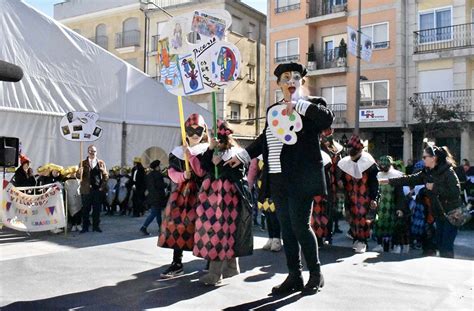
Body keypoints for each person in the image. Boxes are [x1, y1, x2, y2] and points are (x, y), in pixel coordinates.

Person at [226, 62, 334, 295]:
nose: (291, 81)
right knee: (286, 228)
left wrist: (299, 106)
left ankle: (315, 274)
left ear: (302, 82)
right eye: (286, 77)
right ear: (279, 84)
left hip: (301, 177)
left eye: (296, 77)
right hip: (276, 177)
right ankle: (294, 275)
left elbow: (326, 120)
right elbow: (264, 139)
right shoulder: (273, 110)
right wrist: (243, 155)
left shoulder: (312, 106)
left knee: (300, 226)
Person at [194, 120, 253, 285]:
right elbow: (204, 168)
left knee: (218, 231)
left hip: (225, 196)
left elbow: (237, 173)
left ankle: (215, 273)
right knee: (226, 230)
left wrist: (219, 165)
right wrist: (211, 151)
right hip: (215, 195)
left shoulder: (236, 152)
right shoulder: (215, 150)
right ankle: (231, 268)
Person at [380, 146, 462, 258]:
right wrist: (389, 181)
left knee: (446, 247)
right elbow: (409, 179)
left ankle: (447, 272)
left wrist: (434, 187)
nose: (422, 159)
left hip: (452, 213)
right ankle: (444, 271)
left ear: (434, 158)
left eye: (424, 157)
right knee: (440, 244)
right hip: (439, 214)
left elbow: (455, 192)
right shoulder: (427, 172)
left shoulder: (448, 171)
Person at [159, 113, 209, 278]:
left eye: (199, 130)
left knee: (204, 226)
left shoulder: (208, 150)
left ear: (204, 131)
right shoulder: (176, 152)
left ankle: (209, 260)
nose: (195, 134)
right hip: (181, 194)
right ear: (185, 131)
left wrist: (190, 155)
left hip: (203, 193)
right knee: (177, 225)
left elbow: (202, 171)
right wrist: (182, 176)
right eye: (191, 130)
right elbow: (171, 172)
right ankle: (177, 262)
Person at [337, 135, 379, 253]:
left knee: (362, 218)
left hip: (364, 196)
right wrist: (341, 182)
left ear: (360, 151)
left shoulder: (369, 163)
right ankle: (356, 239)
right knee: (351, 218)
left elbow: (374, 182)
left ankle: (362, 241)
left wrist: (374, 198)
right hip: (350, 196)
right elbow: (343, 178)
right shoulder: (346, 162)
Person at [373, 156, 407, 253]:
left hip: (393, 205)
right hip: (381, 206)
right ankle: (380, 244)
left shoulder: (397, 175)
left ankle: (395, 245)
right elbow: (376, 191)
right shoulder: (378, 175)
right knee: (380, 224)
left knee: (394, 225)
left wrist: (400, 208)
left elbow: (400, 194)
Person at [248, 157, 282, 252]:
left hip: (273, 187)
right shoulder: (258, 158)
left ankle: (276, 238)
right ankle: (271, 238)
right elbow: (252, 171)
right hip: (262, 188)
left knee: (273, 213)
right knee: (268, 213)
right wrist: (249, 185)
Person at [77, 145, 109, 233]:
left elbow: (106, 176)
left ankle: (96, 226)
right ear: (88, 152)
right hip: (86, 190)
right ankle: (85, 227)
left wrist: (102, 187)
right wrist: (79, 172)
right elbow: (78, 177)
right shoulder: (82, 163)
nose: (92, 153)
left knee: (97, 209)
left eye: (94, 151)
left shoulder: (101, 163)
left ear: (96, 152)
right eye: (90, 151)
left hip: (97, 190)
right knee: (85, 210)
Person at [140, 160, 167, 235]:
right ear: (157, 167)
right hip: (158, 196)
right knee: (154, 213)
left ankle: (161, 228)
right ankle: (144, 227)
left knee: (158, 213)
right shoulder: (158, 175)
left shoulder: (149, 174)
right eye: (159, 166)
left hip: (151, 196)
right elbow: (159, 185)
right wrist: (166, 185)